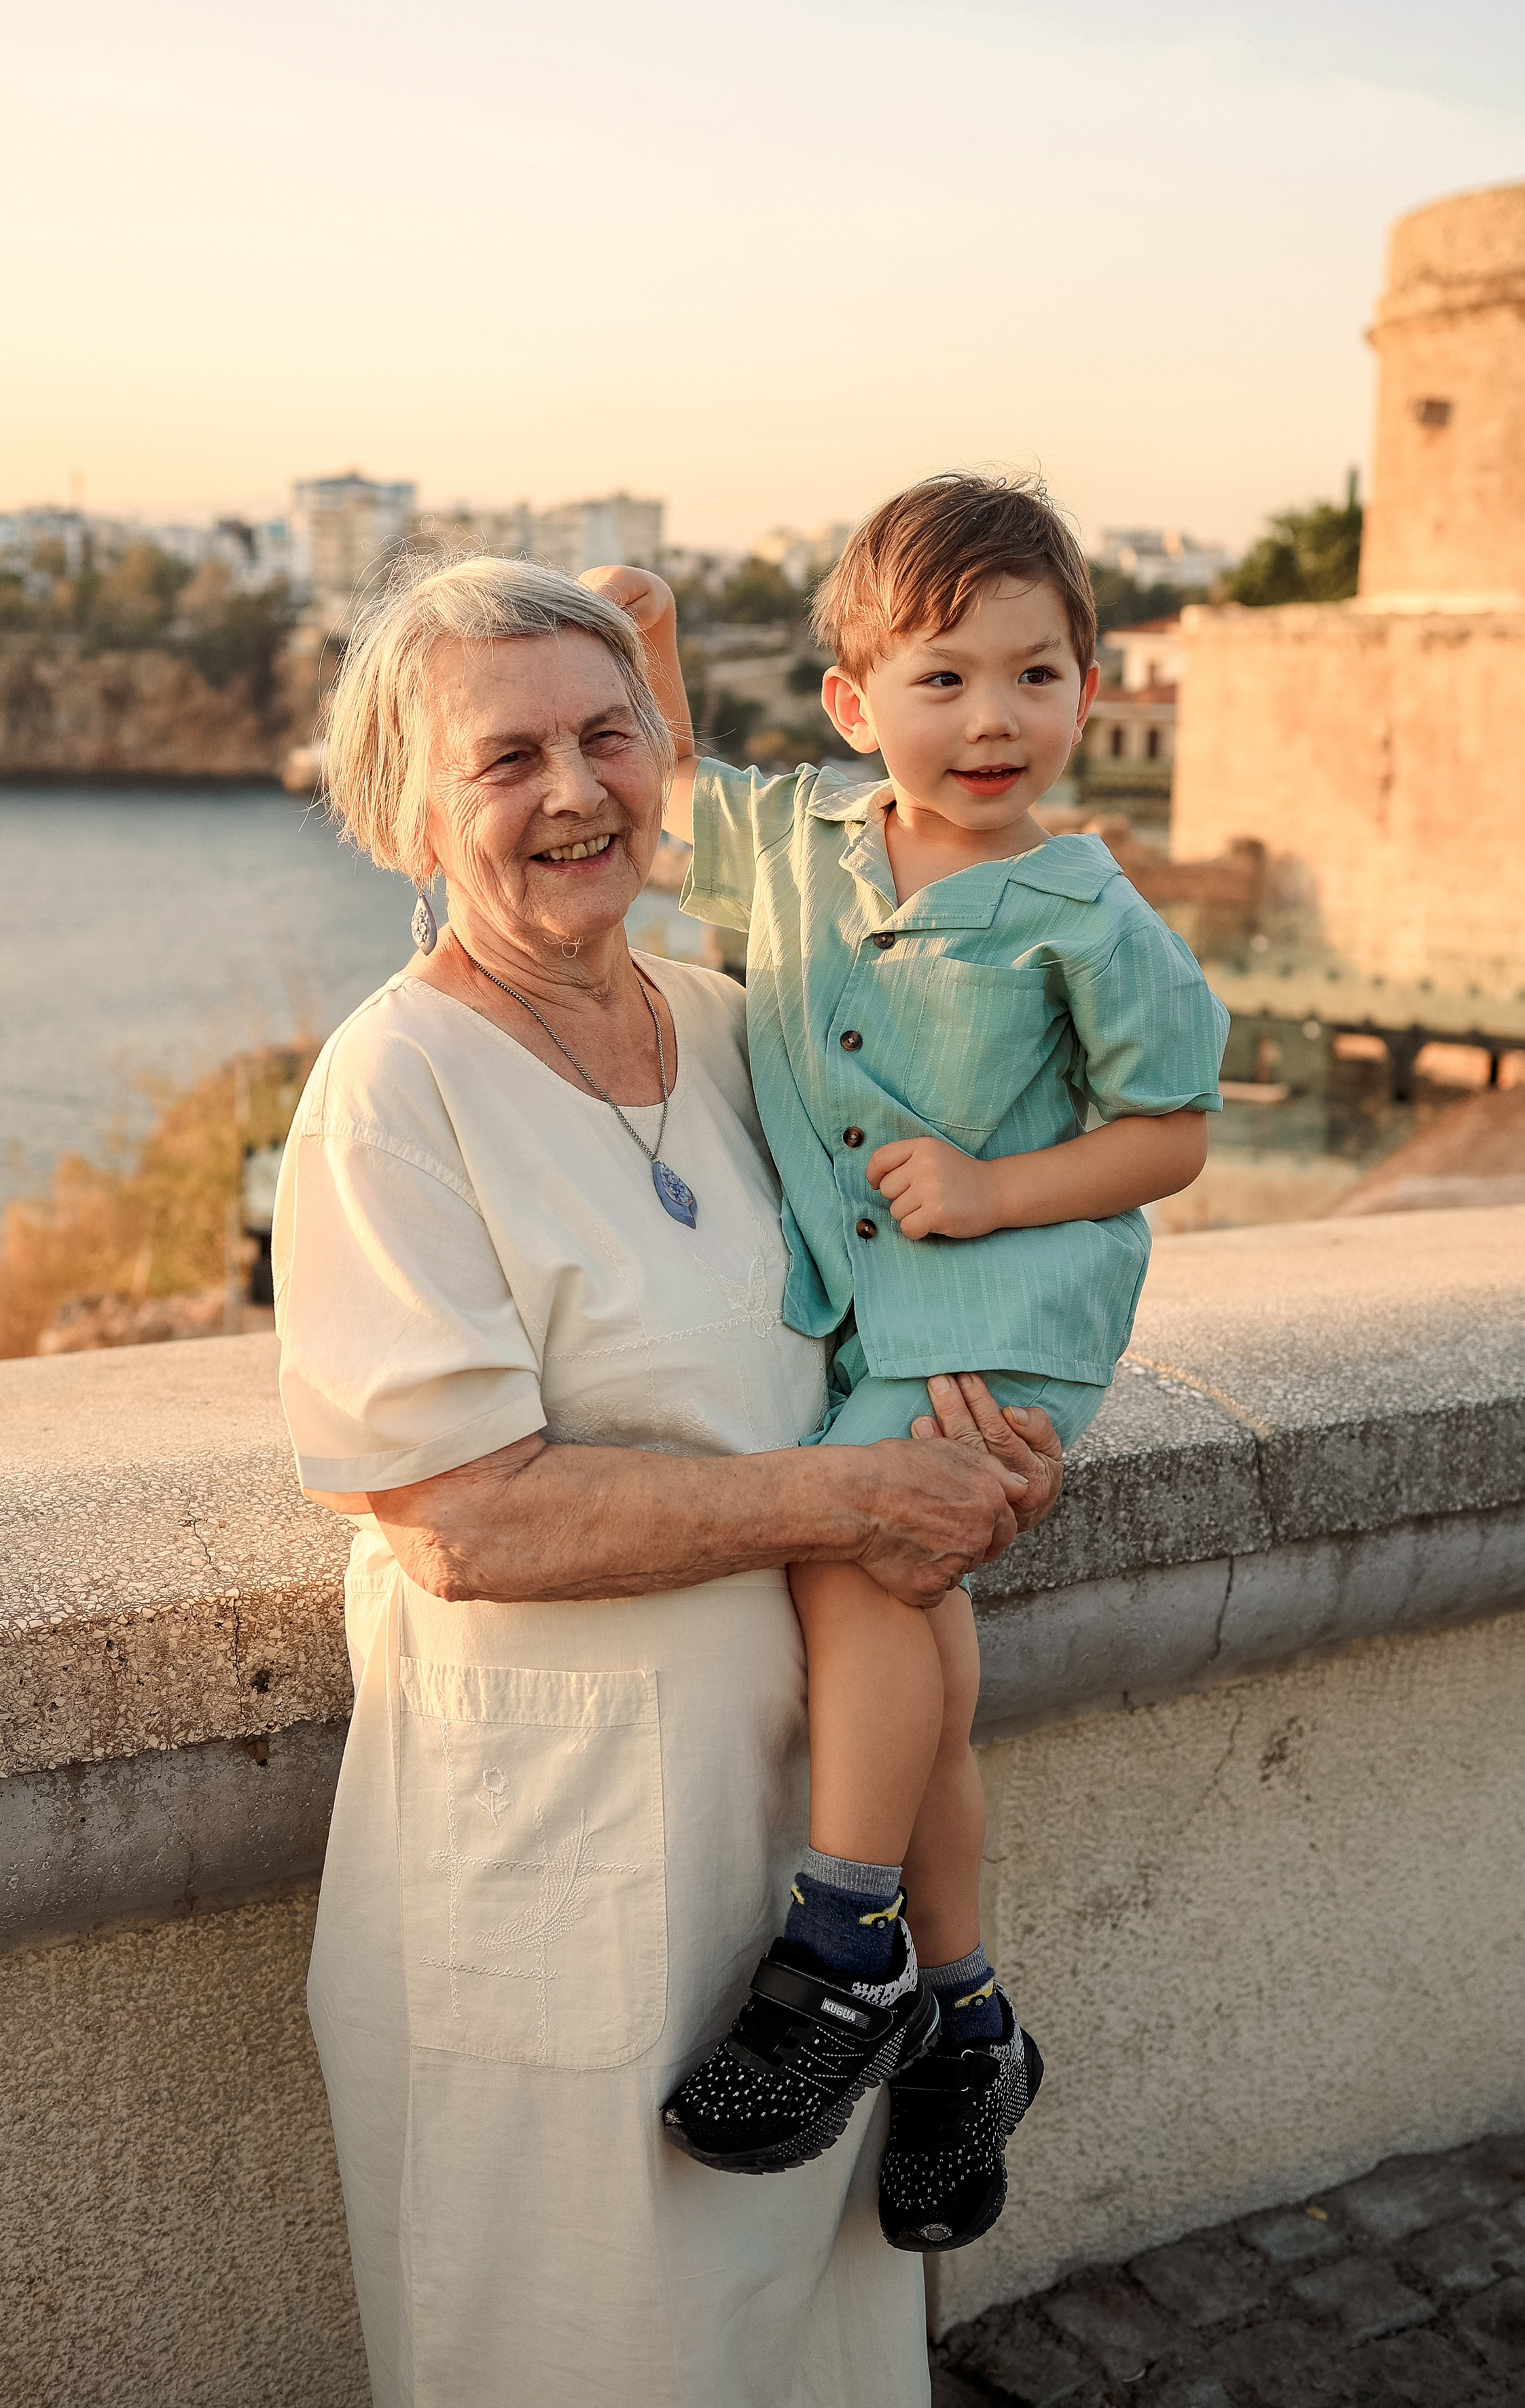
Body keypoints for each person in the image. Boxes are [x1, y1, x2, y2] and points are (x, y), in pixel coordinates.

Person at [270, 552, 1066, 2408]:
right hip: (553, 1878)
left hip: (803, 1893)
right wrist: (846, 1504)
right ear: (406, 808)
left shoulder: (724, 1023)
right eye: (507, 757)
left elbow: (874, 1327)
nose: (574, 792)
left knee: (806, 2340)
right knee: (589, 2344)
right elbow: (464, 1512)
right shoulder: (392, 1091)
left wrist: (973, 1442)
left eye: (606, 735)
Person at [584, 473, 1228, 2252]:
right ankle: (968, 2020)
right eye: (943, 680)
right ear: (856, 704)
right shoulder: (794, 838)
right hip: (865, 1318)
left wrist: (998, 1185)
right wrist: (640, 634)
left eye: (1038, 674)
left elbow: (1171, 1127)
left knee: (867, 1546)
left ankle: (844, 1937)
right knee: (912, 1639)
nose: (996, 718)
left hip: (1008, 1313)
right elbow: (664, 799)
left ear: (1092, 687)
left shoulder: (1085, 908)